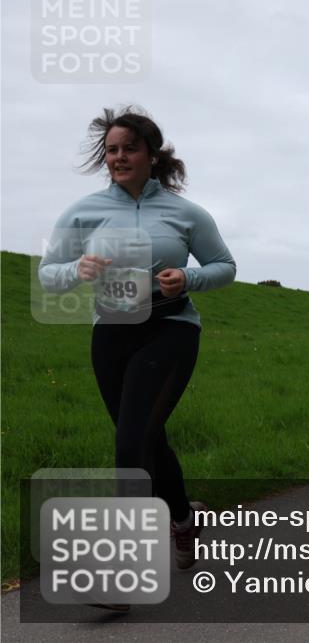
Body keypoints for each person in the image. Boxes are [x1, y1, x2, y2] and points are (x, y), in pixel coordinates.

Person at [38, 107, 236, 592]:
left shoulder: (185, 213)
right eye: (111, 150)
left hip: (169, 329)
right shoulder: (84, 210)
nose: (119, 157)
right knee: (148, 439)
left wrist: (186, 277)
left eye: (129, 148)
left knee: (130, 443)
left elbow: (224, 266)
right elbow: (48, 272)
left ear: (151, 153)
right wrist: (77, 271)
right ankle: (186, 519)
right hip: (111, 331)